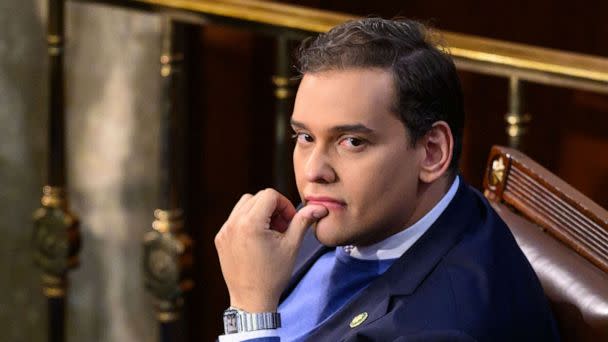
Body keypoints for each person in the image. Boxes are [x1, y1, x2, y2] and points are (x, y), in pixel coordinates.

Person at [214, 18, 559, 341]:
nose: (313, 171)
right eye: (305, 137)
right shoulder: (369, 208)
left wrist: (249, 312)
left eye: (352, 142)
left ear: (432, 152)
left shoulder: (443, 327)